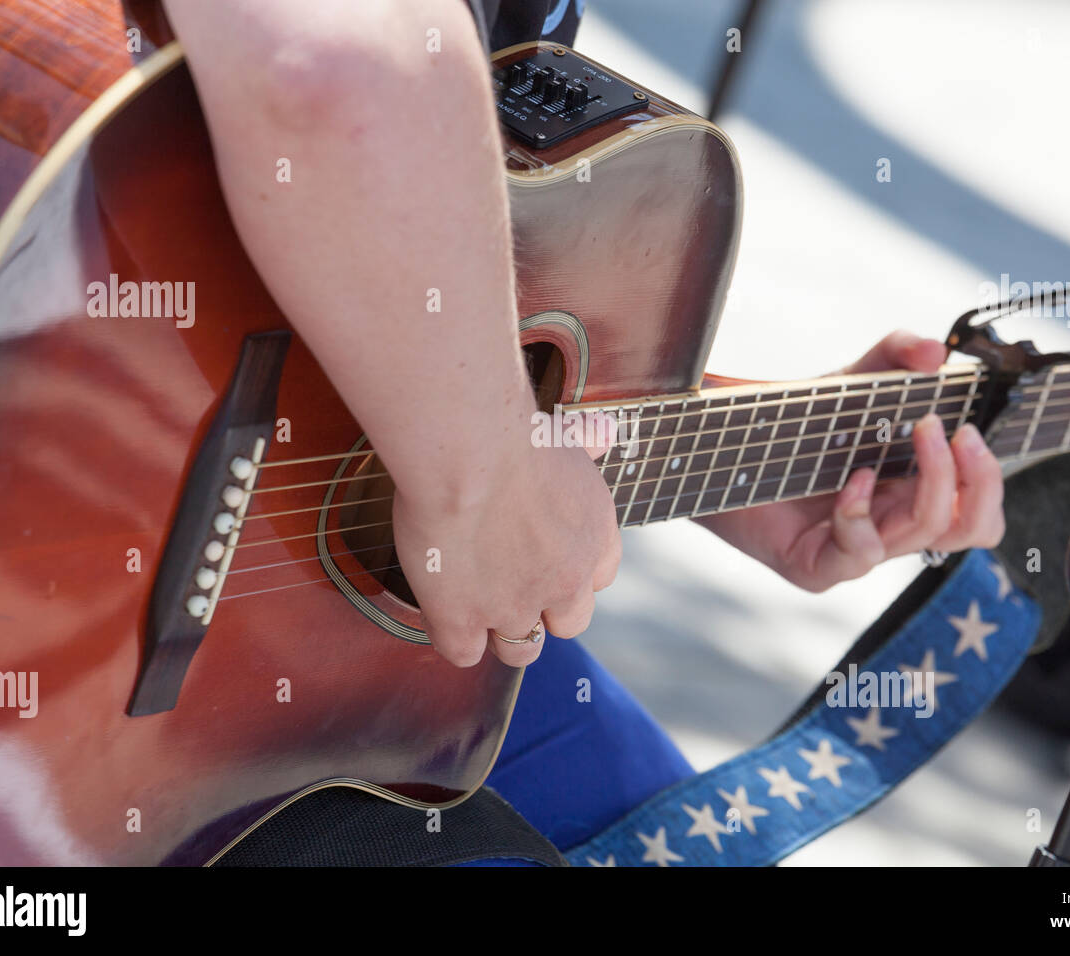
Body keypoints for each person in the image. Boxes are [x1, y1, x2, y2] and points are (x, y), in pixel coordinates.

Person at [156, 0, 1006, 862]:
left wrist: (701, 445)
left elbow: (425, 256)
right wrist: (483, 476)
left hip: (258, 642)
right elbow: (320, 64)